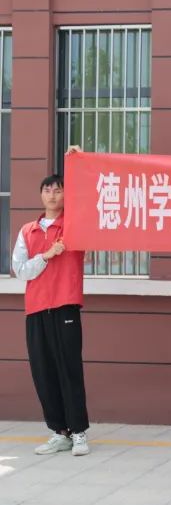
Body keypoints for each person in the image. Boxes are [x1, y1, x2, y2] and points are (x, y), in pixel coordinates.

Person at [11, 173, 91, 457]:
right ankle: (60, 432)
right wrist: (46, 255)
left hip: (65, 306)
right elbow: (20, 270)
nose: (53, 195)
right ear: (41, 195)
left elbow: (90, 201)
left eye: (58, 190)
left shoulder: (75, 226)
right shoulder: (28, 231)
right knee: (43, 372)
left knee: (69, 370)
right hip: (36, 309)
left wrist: (79, 160)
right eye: (47, 190)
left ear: (65, 194)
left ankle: (79, 432)